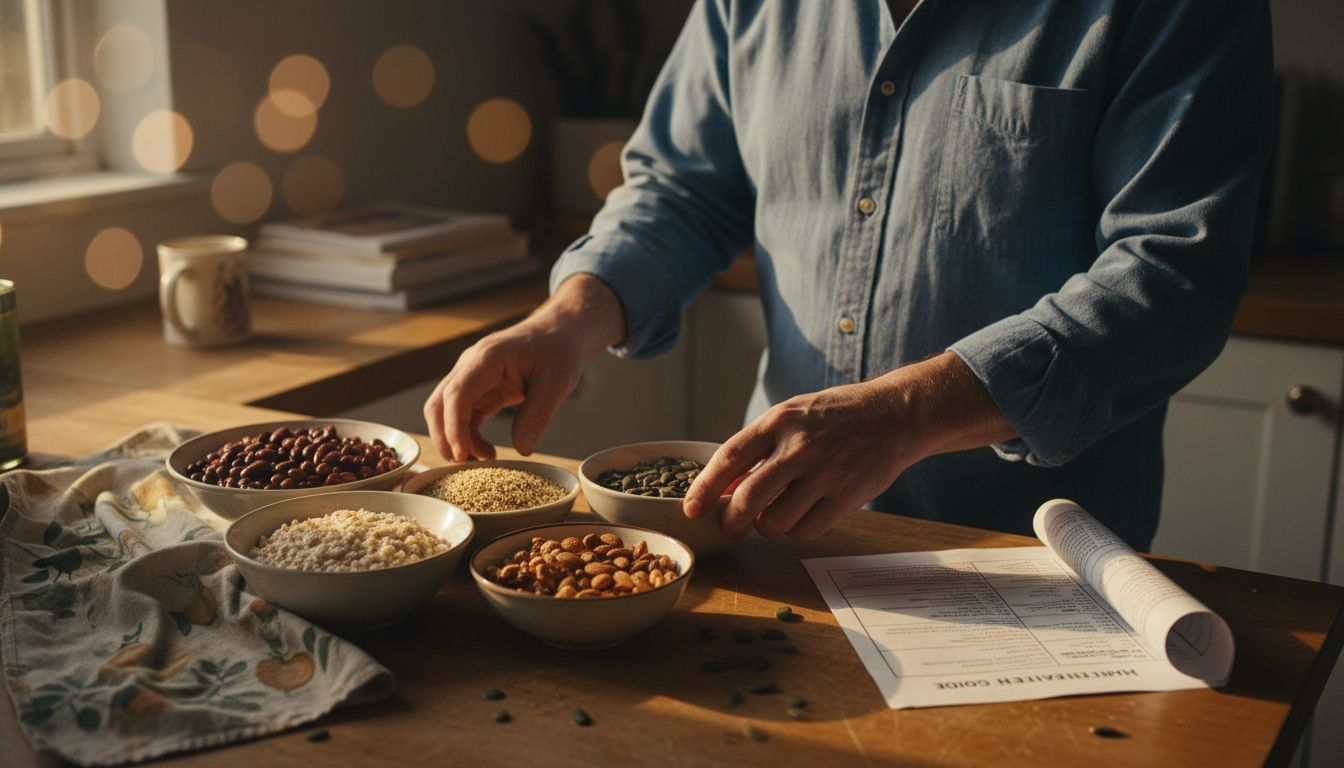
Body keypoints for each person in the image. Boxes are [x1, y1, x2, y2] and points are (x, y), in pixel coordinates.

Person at [425, 0, 1274, 551]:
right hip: (768, 529)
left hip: (1031, 557)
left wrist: (903, 414)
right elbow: (684, 190)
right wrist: (569, 317)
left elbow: (1173, 271)